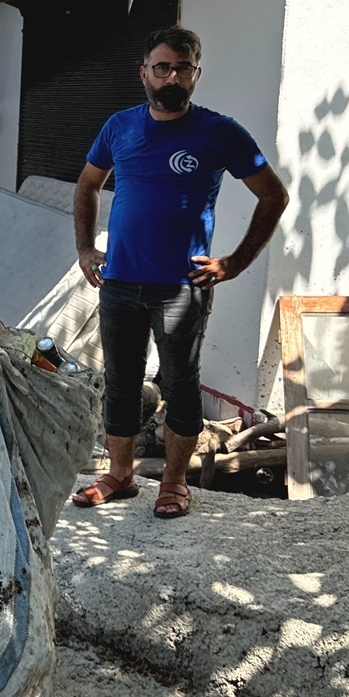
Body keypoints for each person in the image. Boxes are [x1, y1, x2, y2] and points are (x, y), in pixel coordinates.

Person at [72, 26, 289, 519]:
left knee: (180, 384)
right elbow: (87, 186)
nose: (171, 77)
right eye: (162, 67)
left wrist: (236, 262)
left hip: (181, 288)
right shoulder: (119, 127)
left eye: (182, 68)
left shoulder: (220, 132)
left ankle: (173, 483)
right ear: (143, 73)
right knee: (122, 382)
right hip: (121, 281)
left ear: (196, 74)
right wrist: (86, 248)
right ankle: (121, 474)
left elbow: (274, 195)